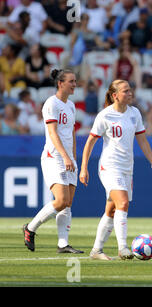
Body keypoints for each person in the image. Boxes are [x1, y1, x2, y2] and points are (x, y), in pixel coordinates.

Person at [79, 79, 152, 260]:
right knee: (123, 203)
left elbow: (142, 140)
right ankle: (123, 248)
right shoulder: (105, 116)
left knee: (112, 210)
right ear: (115, 96)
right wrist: (84, 168)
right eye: (126, 91)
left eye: (130, 90)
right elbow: (90, 142)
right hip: (109, 166)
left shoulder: (134, 113)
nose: (130, 93)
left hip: (127, 168)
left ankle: (96, 251)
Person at [22, 69, 83, 254]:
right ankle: (30, 228)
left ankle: (63, 244)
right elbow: (53, 133)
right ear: (60, 83)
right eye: (71, 81)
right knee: (61, 200)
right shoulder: (51, 103)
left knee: (68, 203)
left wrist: (73, 156)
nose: (74, 84)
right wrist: (65, 156)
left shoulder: (71, 105)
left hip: (68, 158)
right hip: (54, 157)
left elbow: (71, 132)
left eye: (75, 81)